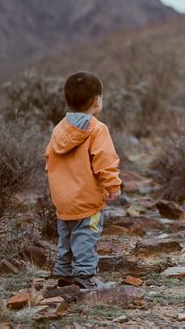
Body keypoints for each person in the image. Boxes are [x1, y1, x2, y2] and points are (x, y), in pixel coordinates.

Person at [45, 70, 122, 290]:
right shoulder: (97, 129)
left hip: (62, 199)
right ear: (97, 101)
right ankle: (86, 279)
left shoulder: (59, 129)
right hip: (87, 200)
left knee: (66, 239)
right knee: (86, 238)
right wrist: (113, 186)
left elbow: (48, 158)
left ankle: (64, 276)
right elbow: (104, 160)